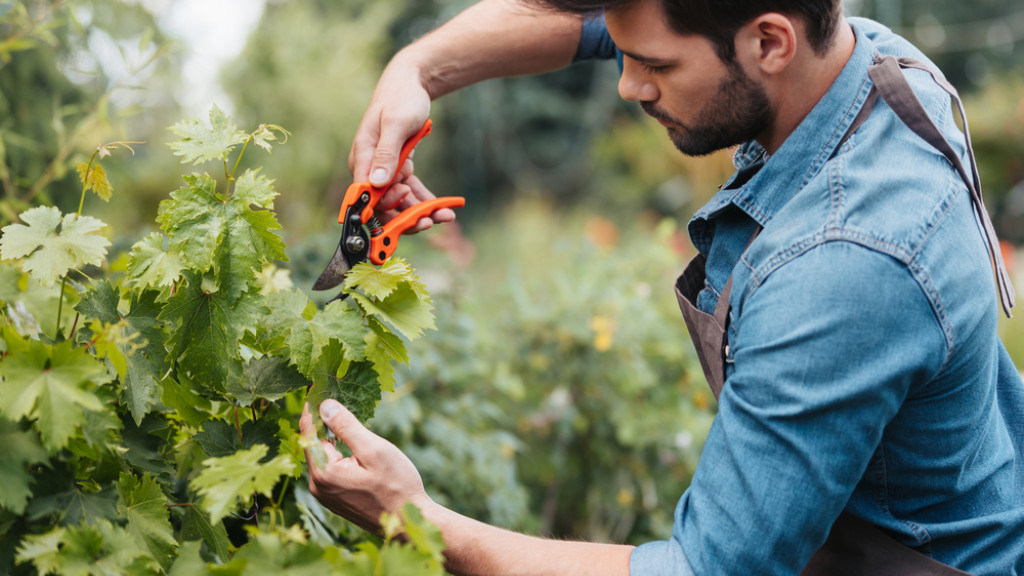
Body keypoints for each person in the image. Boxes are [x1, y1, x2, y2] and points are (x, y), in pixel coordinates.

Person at [297, 0, 1024, 574]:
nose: (628, 84)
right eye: (627, 53)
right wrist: (416, 70)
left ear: (771, 43)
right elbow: (594, 24)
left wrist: (414, 519)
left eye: (654, 65)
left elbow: (703, 570)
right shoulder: (854, 57)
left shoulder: (842, 267)